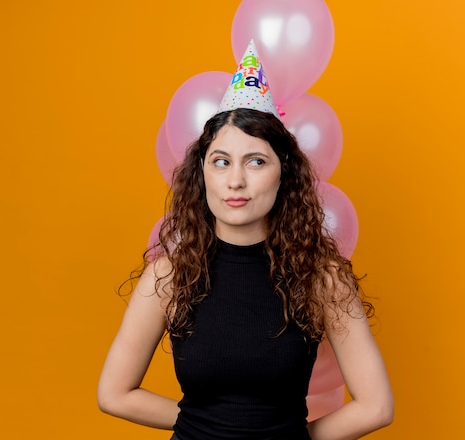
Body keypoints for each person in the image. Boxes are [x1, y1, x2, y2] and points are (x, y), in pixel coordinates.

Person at [98, 41, 393, 440]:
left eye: (256, 161)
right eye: (221, 161)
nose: (235, 180)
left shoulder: (322, 279)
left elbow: (376, 407)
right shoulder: (169, 276)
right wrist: (204, 425)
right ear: (202, 175)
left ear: (283, 174)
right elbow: (114, 394)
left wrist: (289, 435)